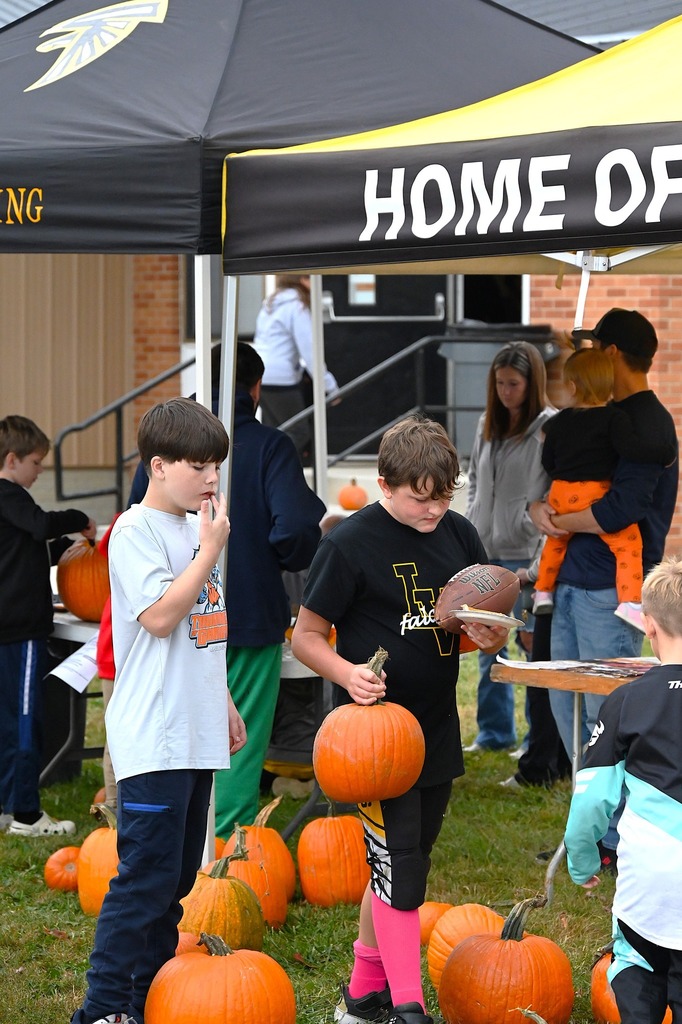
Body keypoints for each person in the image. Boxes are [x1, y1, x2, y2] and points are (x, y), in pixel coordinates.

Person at [291, 415, 512, 1024]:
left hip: (434, 728)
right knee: (401, 866)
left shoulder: (459, 535)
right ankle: (407, 1006)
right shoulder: (348, 544)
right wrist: (346, 673)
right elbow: (306, 635)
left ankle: (362, 994)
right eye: (421, 498)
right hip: (372, 738)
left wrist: (488, 638)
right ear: (384, 484)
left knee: (405, 862)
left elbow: (475, 629)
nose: (435, 510)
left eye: (445, 496)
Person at [71, 397, 246, 1024]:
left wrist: (220, 698)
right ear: (157, 466)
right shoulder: (136, 531)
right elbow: (160, 616)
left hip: (194, 732)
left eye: (216, 467)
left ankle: (143, 999)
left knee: (174, 881)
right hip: (155, 735)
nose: (210, 479)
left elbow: (204, 629)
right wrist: (209, 550)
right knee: (143, 880)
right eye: (198, 466)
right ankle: (103, 1007)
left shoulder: (197, 529)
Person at [128, 343, 326, 836]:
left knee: (198, 736)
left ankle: (198, 852)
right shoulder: (272, 446)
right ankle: (227, 855)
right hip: (251, 613)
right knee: (239, 747)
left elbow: (138, 516)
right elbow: (297, 525)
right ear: (255, 389)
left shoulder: (166, 453)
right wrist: (283, 559)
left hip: (179, 623)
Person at [530, 308, 679, 761]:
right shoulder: (602, 415)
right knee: (565, 704)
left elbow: (621, 509)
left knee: (604, 715)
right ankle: (584, 819)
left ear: (612, 352)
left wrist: (556, 520)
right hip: (570, 582)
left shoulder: (646, 422)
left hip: (612, 592)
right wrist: (538, 505)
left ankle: (612, 825)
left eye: (595, 348)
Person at [564, 556, 682, 1024]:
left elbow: (592, 799)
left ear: (648, 625)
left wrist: (582, 861)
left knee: (638, 992)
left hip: (648, 894)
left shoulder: (624, 701)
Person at [0, 414, 97, 837]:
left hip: (10, 631)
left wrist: (67, 547)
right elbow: (39, 525)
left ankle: (7, 806)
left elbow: (30, 545)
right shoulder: (10, 496)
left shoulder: (9, 509)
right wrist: (77, 517)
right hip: (18, 633)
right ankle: (25, 814)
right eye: (37, 463)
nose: (40, 471)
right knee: (25, 720)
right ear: (12, 459)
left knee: (7, 721)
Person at [531, 347, 675, 623]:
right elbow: (633, 449)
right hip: (592, 492)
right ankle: (630, 602)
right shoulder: (614, 419)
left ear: (572, 386)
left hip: (561, 492)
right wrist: (665, 454)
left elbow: (547, 461)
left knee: (555, 542)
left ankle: (542, 592)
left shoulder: (558, 421)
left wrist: (561, 474)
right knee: (628, 543)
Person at [463, 341, 555, 752]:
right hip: (487, 552)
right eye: (499, 383)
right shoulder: (487, 424)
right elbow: (476, 482)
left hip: (526, 554)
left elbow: (550, 493)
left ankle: (538, 739)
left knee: (533, 647)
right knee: (488, 646)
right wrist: (475, 522)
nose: (505, 391)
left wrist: (528, 530)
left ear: (531, 383)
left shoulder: (547, 429)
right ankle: (495, 733)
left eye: (514, 383)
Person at [252, 274, 338, 463]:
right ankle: (267, 468)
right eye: (309, 278)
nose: (315, 282)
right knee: (298, 432)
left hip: (260, 374)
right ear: (301, 280)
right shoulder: (296, 306)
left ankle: (265, 474)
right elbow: (311, 350)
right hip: (281, 377)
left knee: (274, 432)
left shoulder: (271, 303)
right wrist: (329, 386)